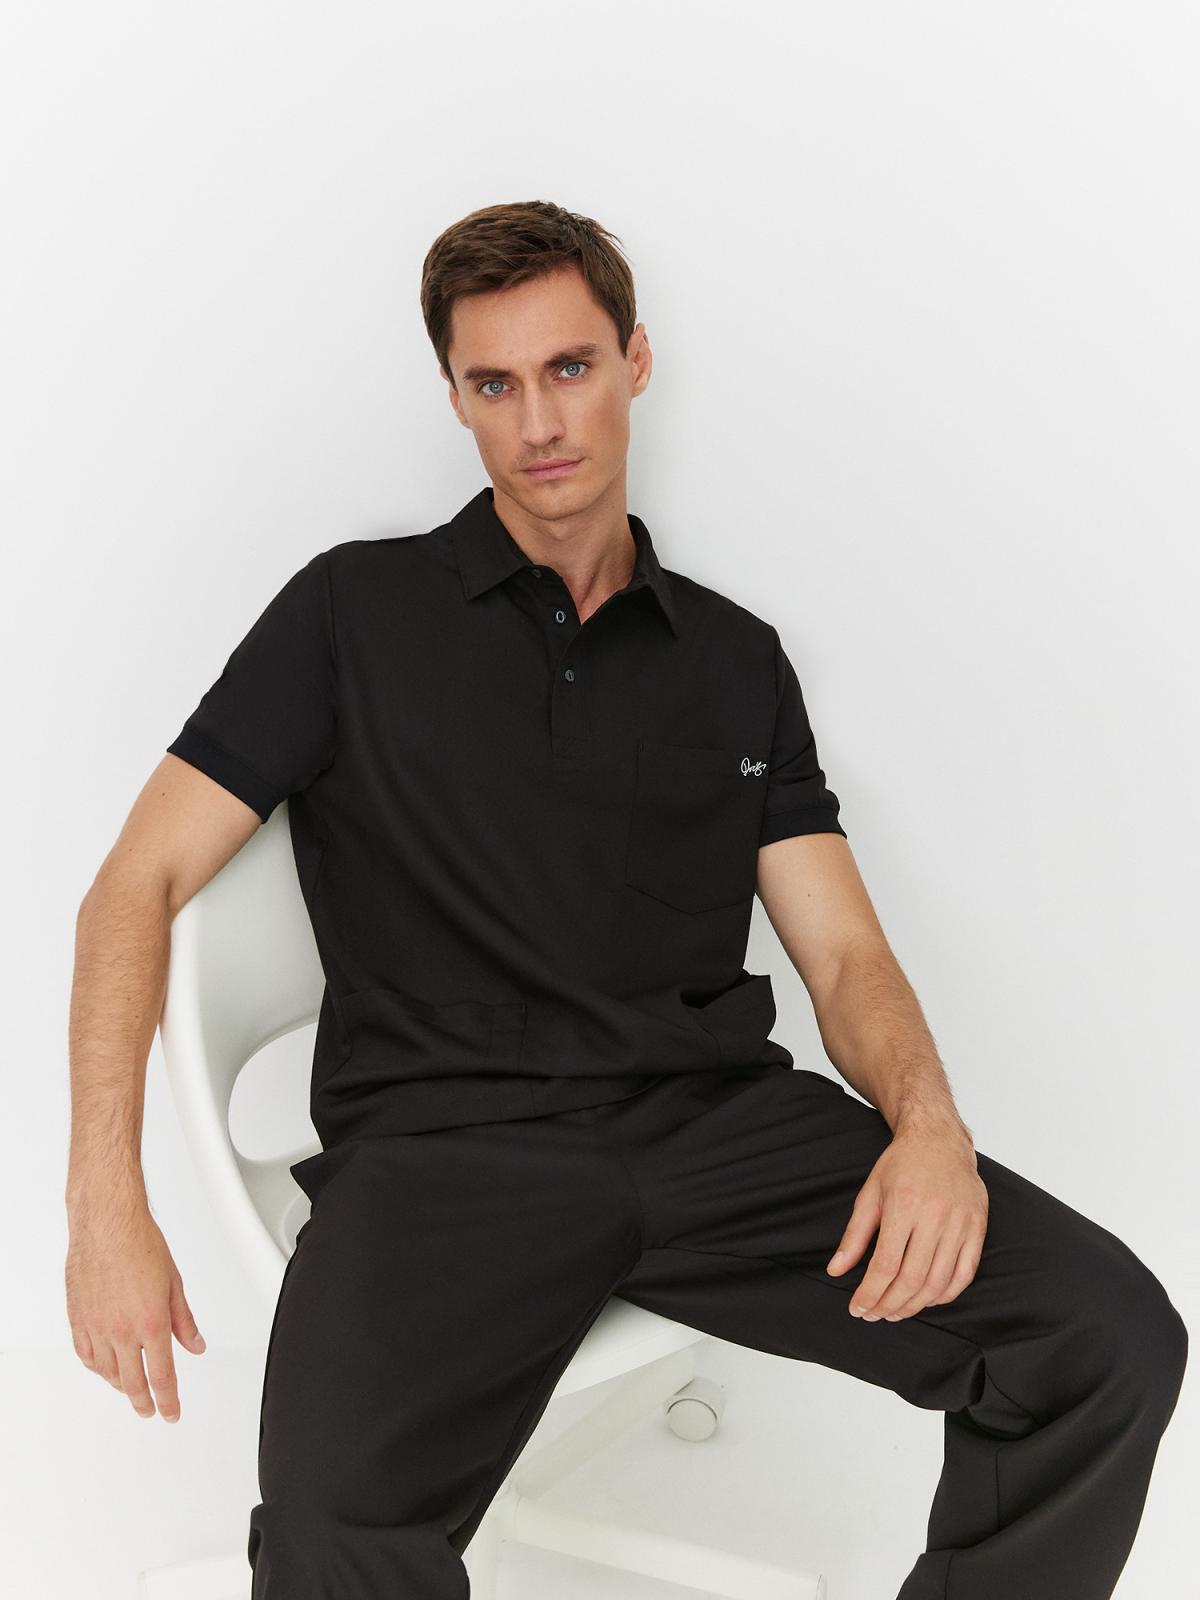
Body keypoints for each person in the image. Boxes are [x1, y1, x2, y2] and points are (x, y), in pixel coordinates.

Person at [65, 200, 1187, 1599]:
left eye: (571, 367)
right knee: (331, 1532)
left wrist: (931, 1128)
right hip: (445, 1153)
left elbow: (844, 955)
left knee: (1105, 1335)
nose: (540, 422)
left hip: (715, 1134)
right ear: (455, 398)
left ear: (636, 362)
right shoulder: (350, 613)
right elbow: (134, 884)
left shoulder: (735, 660)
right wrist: (105, 1202)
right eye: (495, 384)